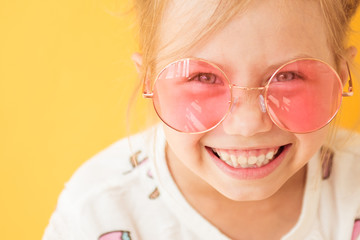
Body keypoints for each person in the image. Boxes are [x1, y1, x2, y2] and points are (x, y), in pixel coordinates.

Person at [43, 0, 360, 239]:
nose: (248, 125)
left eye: (289, 76)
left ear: (342, 77)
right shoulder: (95, 212)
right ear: (149, 82)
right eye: (204, 78)